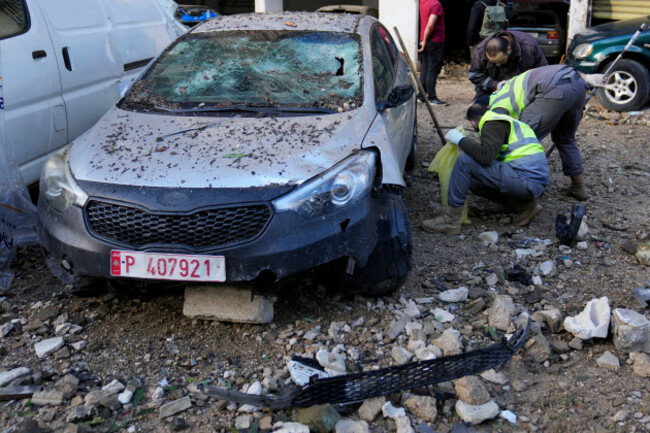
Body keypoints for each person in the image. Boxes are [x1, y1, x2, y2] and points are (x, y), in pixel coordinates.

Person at [421, 104, 549, 234]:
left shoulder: (492, 123)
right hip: (531, 182)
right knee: (474, 181)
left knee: (464, 161)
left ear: (472, 122)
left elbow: (485, 156)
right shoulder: (504, 121)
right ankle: (524, 206)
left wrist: (460, 140)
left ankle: (450, 220)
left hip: (526, 181)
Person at [487, 64, 602, 200]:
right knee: (566, 138)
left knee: (521, 140)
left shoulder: (496, 104)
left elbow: (500, 137)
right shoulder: (512, 85)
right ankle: (578, 186)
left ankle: (522, 192)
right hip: (577, 85)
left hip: (553, 90)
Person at [469, 30, 547, 103]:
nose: (497, 65)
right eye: (493, 62)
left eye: (501, 61)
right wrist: (495, 84)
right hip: (490, 91)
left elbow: (544, 73)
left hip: (523, 92)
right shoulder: (480, 51)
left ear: (509, 49)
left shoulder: (528, 46)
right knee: (478, 109)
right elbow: (474, 75)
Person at [419, 0, 447, 106]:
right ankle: (432, 97)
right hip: (435, 41)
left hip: (424, 40)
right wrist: (425, 40)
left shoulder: (422, 2)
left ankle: (421, 96)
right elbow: (430, 25)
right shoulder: (436, 4)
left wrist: (423, 41)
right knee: (432, 70)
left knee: (424, 70)